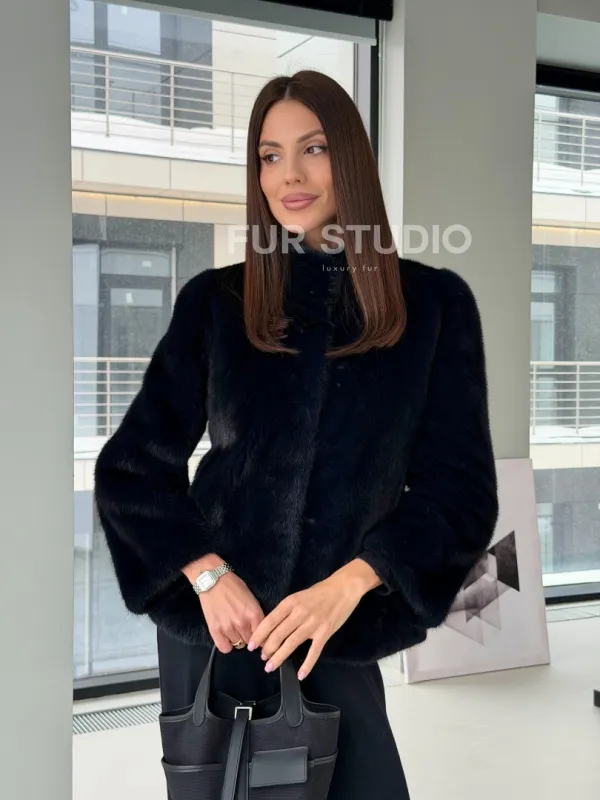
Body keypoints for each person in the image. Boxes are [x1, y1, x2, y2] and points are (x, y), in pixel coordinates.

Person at [93, 70, 499, 800]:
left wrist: (350, 584)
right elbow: (132, 468)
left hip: (335, 631)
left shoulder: (433, 307)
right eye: (269, 155)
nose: (290, 175)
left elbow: (458, 493)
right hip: (218, 628)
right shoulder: (216, 302)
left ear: (350, 157)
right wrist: (207, 575)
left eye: (312, 148)